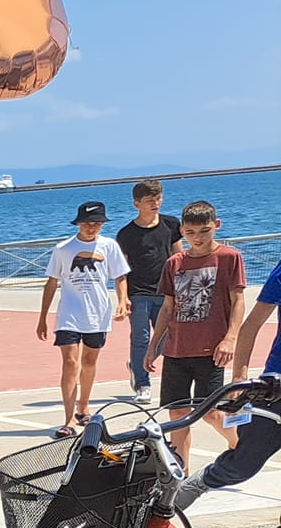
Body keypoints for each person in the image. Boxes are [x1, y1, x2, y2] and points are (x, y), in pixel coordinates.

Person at [174, 261, 281, 528]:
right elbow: (252, 325)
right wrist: (240, 376)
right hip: (275, 386)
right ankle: (199, 483)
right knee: (244, 461)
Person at [144, 200, 246, 461]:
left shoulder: (229, 257)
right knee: (177, 414)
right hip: (176, 350)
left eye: (204, 231)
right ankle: (181, 470)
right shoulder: (174, 263)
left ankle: (238, 444)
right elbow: (167, 307)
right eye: (190, 232)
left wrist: (230, 338)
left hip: (211, 350)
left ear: (216, 225)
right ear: (182, 231)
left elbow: (238, 300)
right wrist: (153, 346)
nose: (197, 238)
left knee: (210, 412)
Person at [36, 200, 130, 439]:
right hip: (69, 313)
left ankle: (83, 407)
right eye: (87, 222)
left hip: (98, 313)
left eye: (97, 223)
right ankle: (68, 420)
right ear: (78, 223)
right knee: (70, 362)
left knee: (89, 361)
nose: (92, 227)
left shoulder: (109, 246)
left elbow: (120, 276)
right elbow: (52, 282)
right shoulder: (63, 249)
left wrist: (123, 300)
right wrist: (43, 317)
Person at [115, 179, 179, 402]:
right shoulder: (126, 234)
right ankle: (142, 383)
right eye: (150, 200)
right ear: (137, 204)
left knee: (168, 337)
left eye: (158, 199)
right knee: (140, 339)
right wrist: (123, 299)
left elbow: (178, 258)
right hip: (138, 293)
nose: (155, 203)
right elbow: (121, 271)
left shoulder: (171, 225)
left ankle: (137, 364)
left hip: (166, 293)